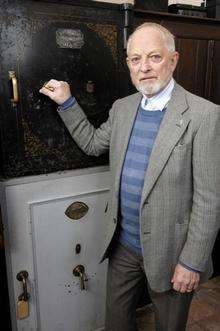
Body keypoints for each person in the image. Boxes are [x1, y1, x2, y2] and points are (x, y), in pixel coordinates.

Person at [39, 22, 220, 331]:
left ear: (173, 60)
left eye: (154, 57)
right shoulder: (123, 108)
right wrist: (68, 102)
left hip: (172, 252)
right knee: (117, 322)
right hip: (123, 245)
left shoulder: (203, 115)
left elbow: (209, 200)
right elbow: (93, 142)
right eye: (136, 59)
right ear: (128, 65)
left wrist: (191, 263)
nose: (145, 67)